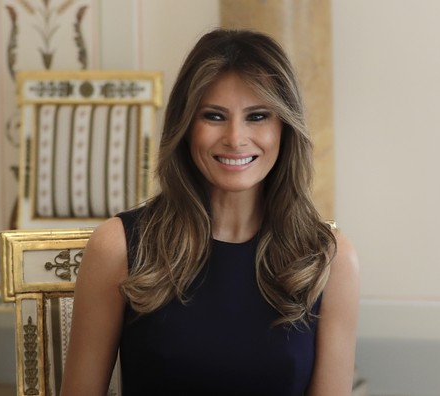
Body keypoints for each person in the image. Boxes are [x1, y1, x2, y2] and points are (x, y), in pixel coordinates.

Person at [60, 28, 359, 396]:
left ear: (285, 127)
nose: (235, 137)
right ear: (185, 127)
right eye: (214, 116)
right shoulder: (118, 248)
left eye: (258, 116)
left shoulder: (331, 259)